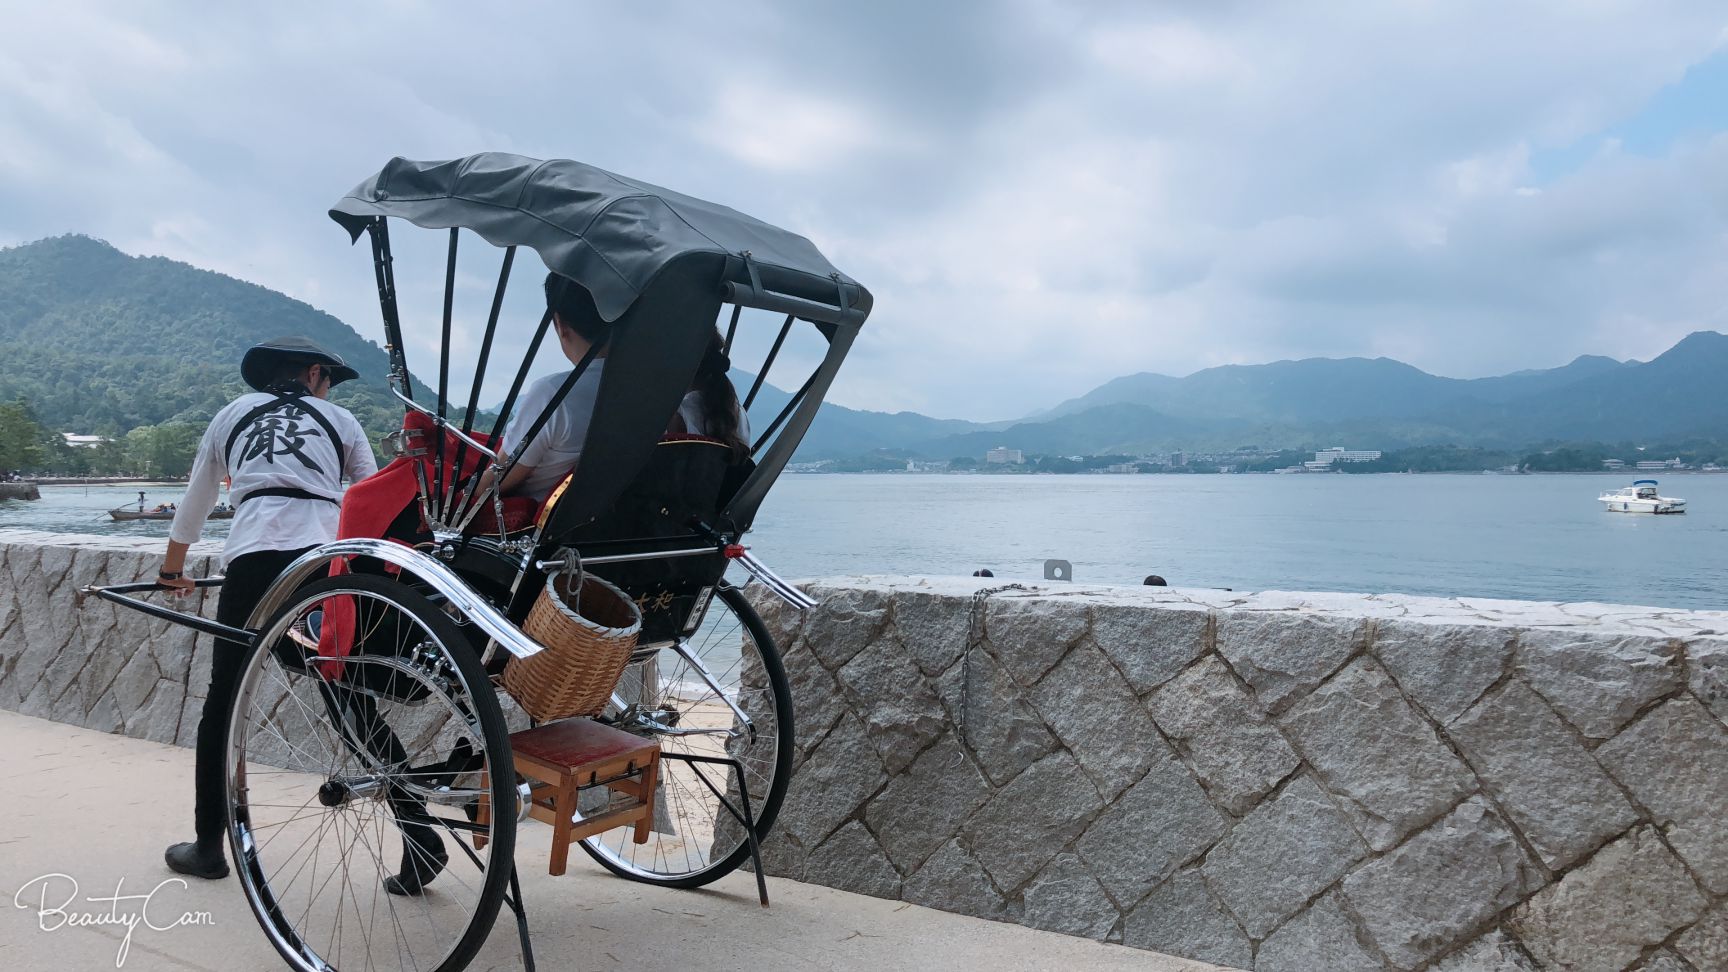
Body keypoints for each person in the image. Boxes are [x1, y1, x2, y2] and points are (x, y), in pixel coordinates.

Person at [155, 337, 376, 881]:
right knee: (342, 687)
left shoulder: (232, 414)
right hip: (323, 560)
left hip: (253, 560)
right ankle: (420, 833)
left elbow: (197, 500)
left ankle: (209, 847)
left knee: (224, 701)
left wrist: (171, 570)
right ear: (315, 374)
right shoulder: (341, 421)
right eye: (328, 380)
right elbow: (369, 497)